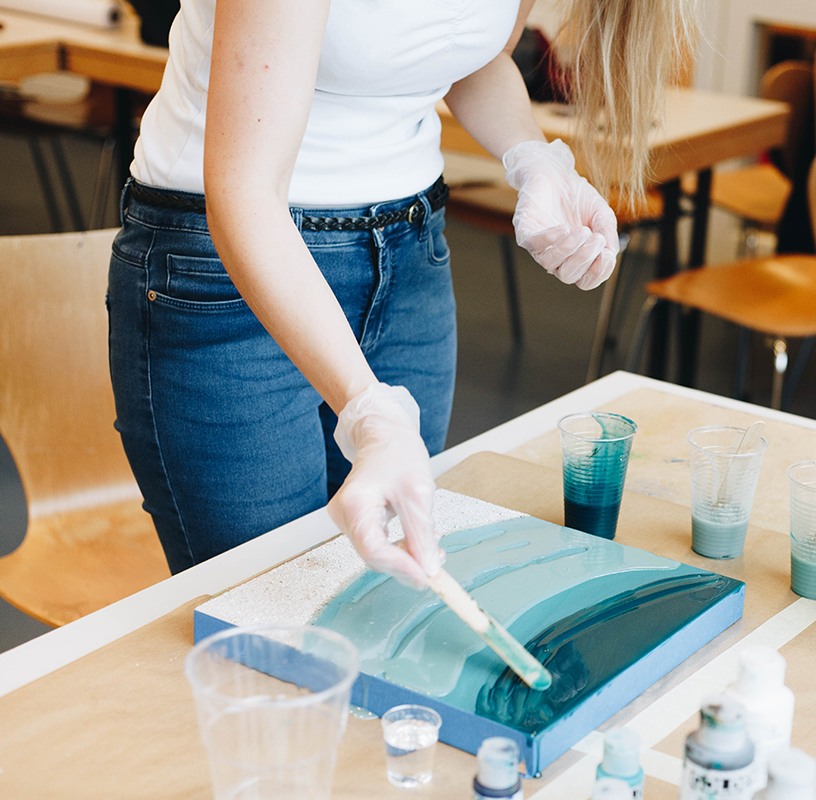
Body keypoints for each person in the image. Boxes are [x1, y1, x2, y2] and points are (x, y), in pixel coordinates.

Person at [109, 0, 694, 586]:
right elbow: (245, 193)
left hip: (411, 251)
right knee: (275, 613)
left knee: (380, 591)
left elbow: (467, 53)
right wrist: (369, 410)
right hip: (227, 269)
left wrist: (535, 160)